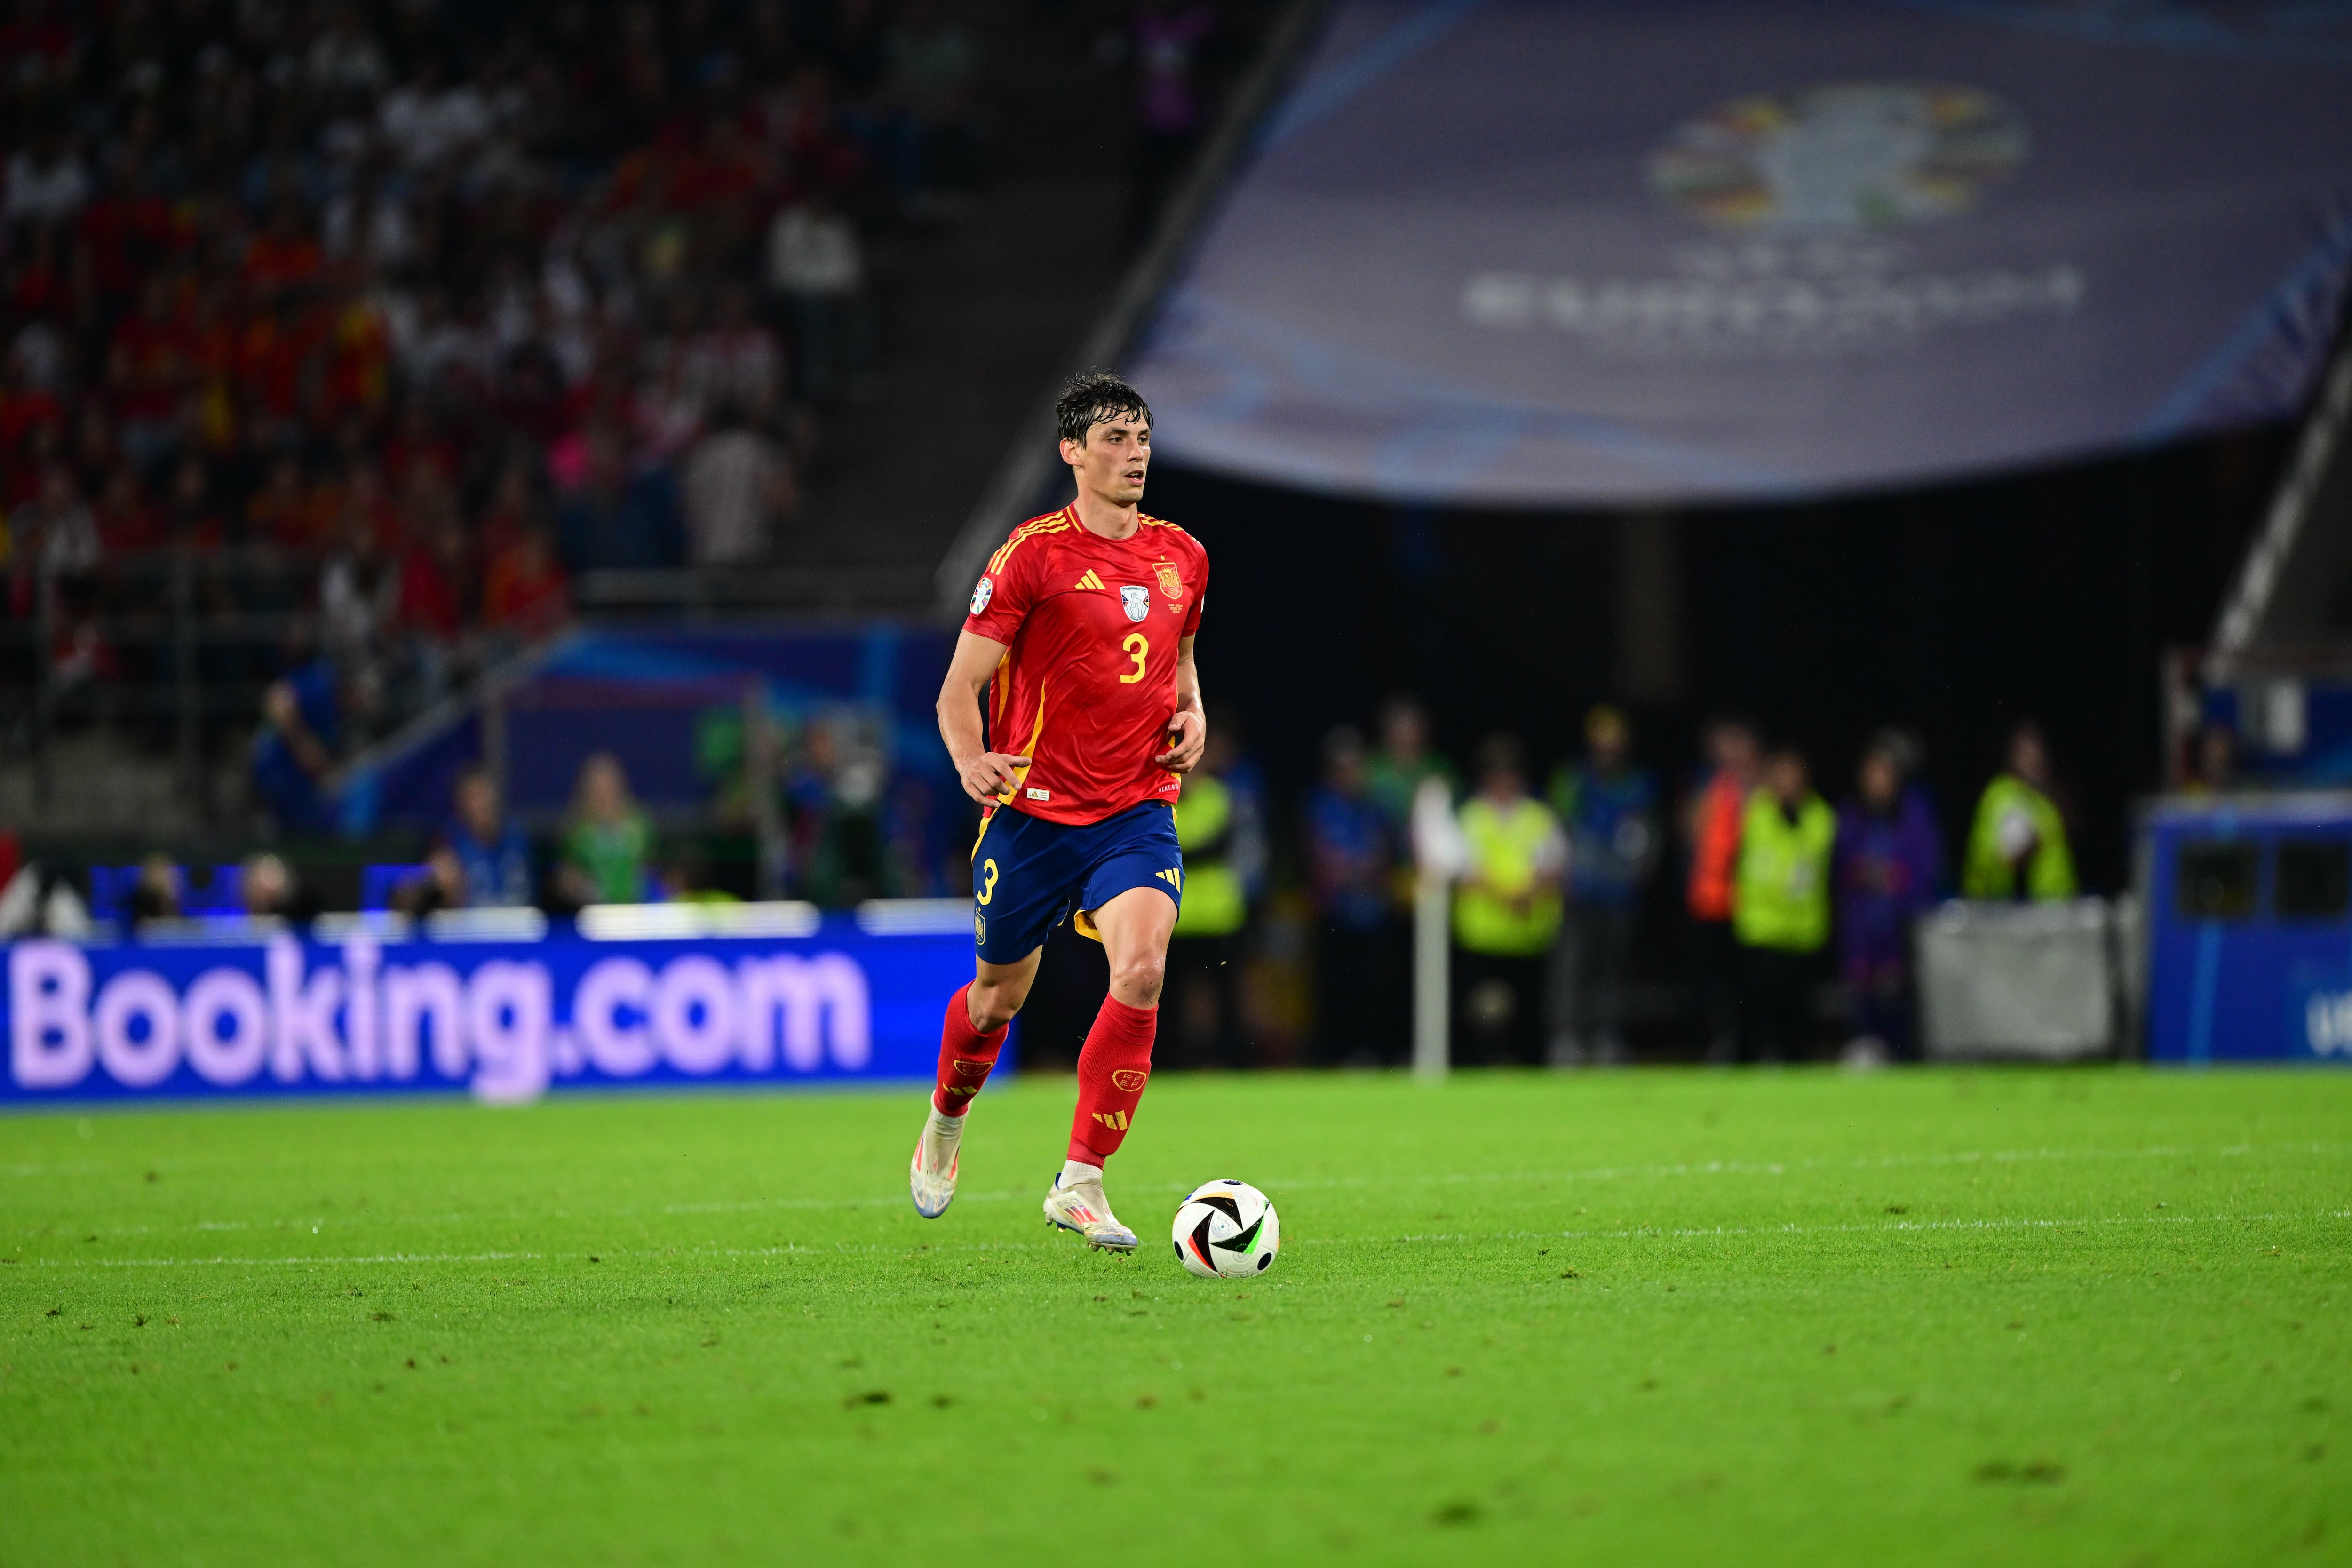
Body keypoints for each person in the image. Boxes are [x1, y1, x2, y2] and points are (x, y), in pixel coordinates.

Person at [908, 371, 1209, 1253]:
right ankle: (946, 1120)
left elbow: (1180, 665)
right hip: (1034, 815)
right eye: (1114, 438)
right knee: (1000, 999)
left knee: (1144, 969)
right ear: (1072, 452)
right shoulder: (1030, 555)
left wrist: (1195, 717)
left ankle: (1080, 1181)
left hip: (1135, 810)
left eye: (1143, 436)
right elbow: (957, 689)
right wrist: (972, 761)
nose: (1135, 453)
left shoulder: (1183, 555)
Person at [1546, 705, 1657, 1067]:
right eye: (1601, 741)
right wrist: (1562, 874)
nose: (1607, 748)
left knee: (1613, 969)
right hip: (1580, 889)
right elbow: (1556, 828)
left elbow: (1649, 834)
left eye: (1614, 741)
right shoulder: (1573, 779)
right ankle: (1568, 1038)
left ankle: (1607, 1037)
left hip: (1620, 891)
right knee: (1573, 967)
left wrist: (1639, 872)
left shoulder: (1639, 782)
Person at [1452, 735, 1565, 1066]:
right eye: (1496, 775)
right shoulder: (1471, 817)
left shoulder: (1539, 817)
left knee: (1529, 1012)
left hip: (1529, 934)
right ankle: (1476, 1066)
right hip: (1482, 935)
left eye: (1510, 775)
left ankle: (1530, 1066)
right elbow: (1465, 867)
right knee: (1478, 1011)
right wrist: (1506, 896)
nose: (1504, 783)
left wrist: (1528, 894)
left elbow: (1554, 865)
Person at [1834, 732, 1943, 1064]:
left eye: (1883, 773)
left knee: (1902, 1020)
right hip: (1863, 938)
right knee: (1866, 1020)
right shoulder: (1851, 817)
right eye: (1870, 773)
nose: (1876, 781)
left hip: (1901, 937)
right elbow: (1842, 871)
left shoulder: (1916, 815)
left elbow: (1925, 873)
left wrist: (1892, 879)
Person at [1165, 722, 1262, 1068]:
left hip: (1219, 915)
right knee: (1173, 997)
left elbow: (1195, 846)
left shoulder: (1218, 796)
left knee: (1227, 994)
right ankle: (1175, 1061)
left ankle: (1232, 1060)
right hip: (1177, 917)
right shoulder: (1165, 798)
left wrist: (1178, 849)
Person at [1305, 726, 1400, 1065]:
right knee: (1335, 991)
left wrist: (1361, 869)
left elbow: (1386, 859)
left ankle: (1373, 1054)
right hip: (1335, 916)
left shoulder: (1376, 809)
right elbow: (1323, 862)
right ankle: (1333, 1056)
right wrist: (1356, 869)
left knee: (1375, 989)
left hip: (1373, 916)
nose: (1350, 774)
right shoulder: (1320, 805)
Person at [1733, 746, 1834, 1062]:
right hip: (1762, 930)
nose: (1788, 783)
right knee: (1756, 1011)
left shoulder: (1822, 818)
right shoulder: (1753, 812)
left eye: (1794, 776)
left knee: (1798, 1017)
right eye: (1782, 775)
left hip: (1802, 932)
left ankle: (1795, 1065)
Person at [1685, 717, 1758, 1062]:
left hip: (1751, 901)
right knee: (1714, 983)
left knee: (1747, 980)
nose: (1728, 751)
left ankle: (1749, 1045)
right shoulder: (1707, 785)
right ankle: (1720, 1043)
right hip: (1711, 899)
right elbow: (1692, 832)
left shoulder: (1759, 787)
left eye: (1735, 743)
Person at [1962, 721, 2077, 901]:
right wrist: (2034, 840)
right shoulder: (2007, 795)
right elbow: (2013, 855)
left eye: (2039, 751)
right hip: (2009, 910)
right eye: (2029, 752)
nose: (2037, 758)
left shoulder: (2038, 797)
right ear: (2015, 756)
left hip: (2054, 907)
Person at [561, 752, 652, 905]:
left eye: (608, 790)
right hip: (592, 913)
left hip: (636, 910)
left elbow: (650, 867)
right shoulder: (576, 832)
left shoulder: (638, 826)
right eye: (597, 792)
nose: (603, 799)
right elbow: (568, 877)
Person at [450, 764, 533, 908]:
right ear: (461, 804)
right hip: (472, 926)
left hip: (518, 924)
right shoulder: (450, 846)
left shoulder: (519, 837)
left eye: (487, 793)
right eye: (476, 796)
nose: (485, 803)